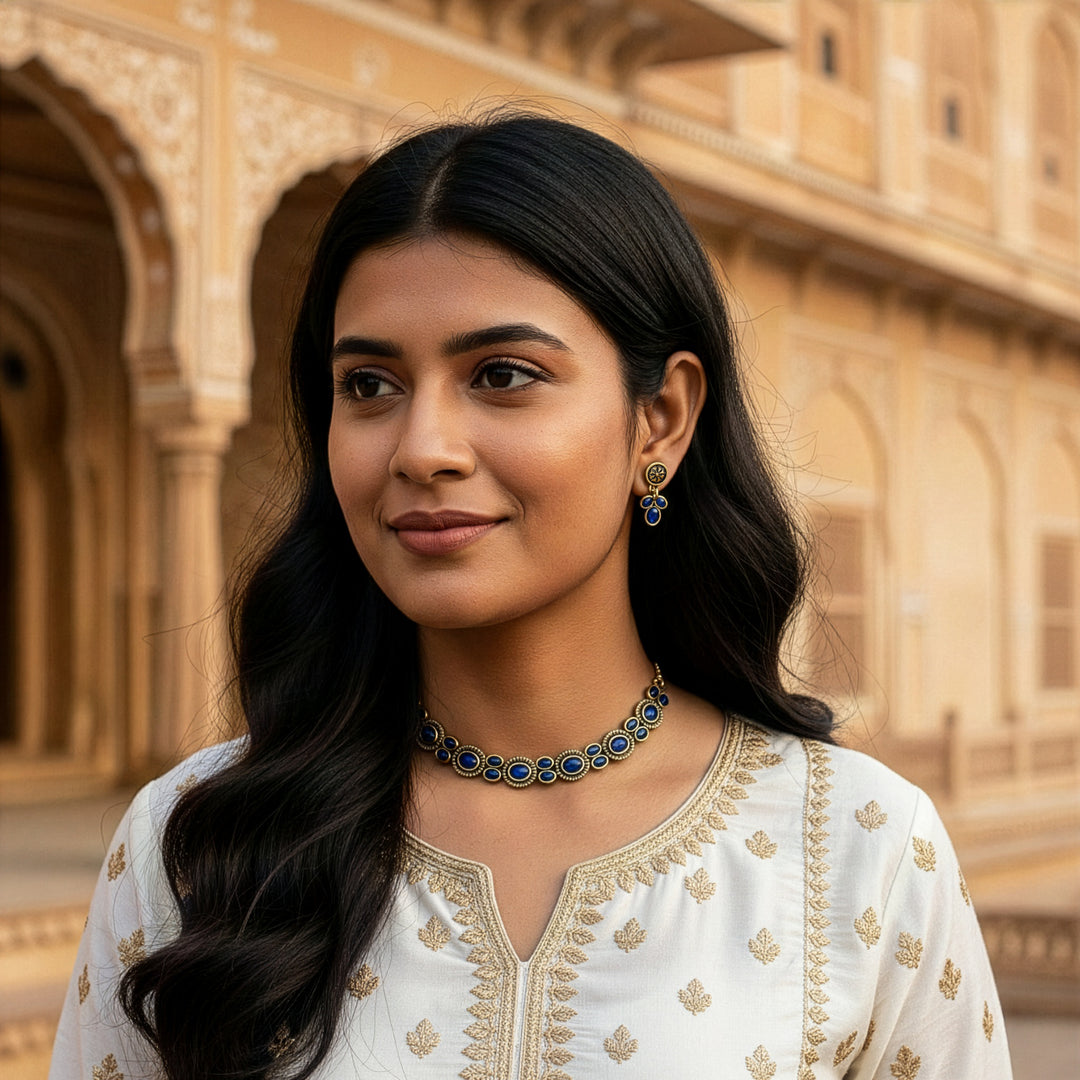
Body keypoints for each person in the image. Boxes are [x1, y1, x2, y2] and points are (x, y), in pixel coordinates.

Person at [50, 110, 1011, 1080]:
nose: (422, 447)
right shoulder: (199, 848)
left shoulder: (857, 852)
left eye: (503, 376)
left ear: (661, 419)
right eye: (371, 386)